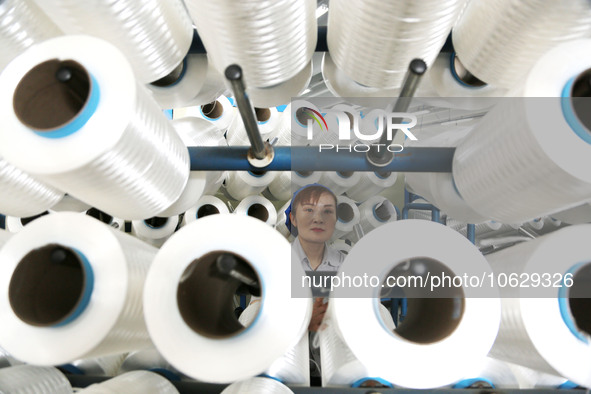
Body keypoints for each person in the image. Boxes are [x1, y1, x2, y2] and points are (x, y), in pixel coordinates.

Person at [285, 184, 346, 332]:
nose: (318, 219)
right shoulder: (276, 263)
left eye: (327, 211)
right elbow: (259, 318)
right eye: (309, 210)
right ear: (293, 218)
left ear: (335, 219)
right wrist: (303, 323)